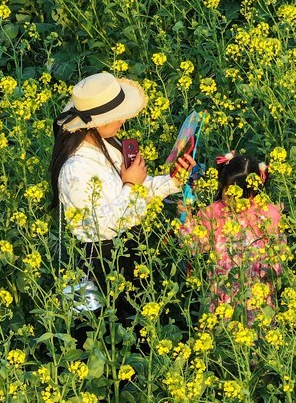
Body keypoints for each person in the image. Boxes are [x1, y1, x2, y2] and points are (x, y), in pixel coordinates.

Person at [49, 72, 195, 321]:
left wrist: (173, 181)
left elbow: (135, 193)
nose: (123, 121)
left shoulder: (106, 144)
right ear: (95, 123)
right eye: (116, 117)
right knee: (112, 327)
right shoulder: (76, 168)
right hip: (101, 262)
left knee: (138, 319)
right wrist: (130, 183)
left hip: (127, 251)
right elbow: (100, 227)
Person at [179, 152, 285, 319]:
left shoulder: (267, 214)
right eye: (230, 193)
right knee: (224, 337)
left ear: (255, 190)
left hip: (257, 297)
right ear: (222, 185)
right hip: (223, 294)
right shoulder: (212, 213)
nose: (235, 200)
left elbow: (279, 255)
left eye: (242, 195)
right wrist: (187, 220)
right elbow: (195, 247)